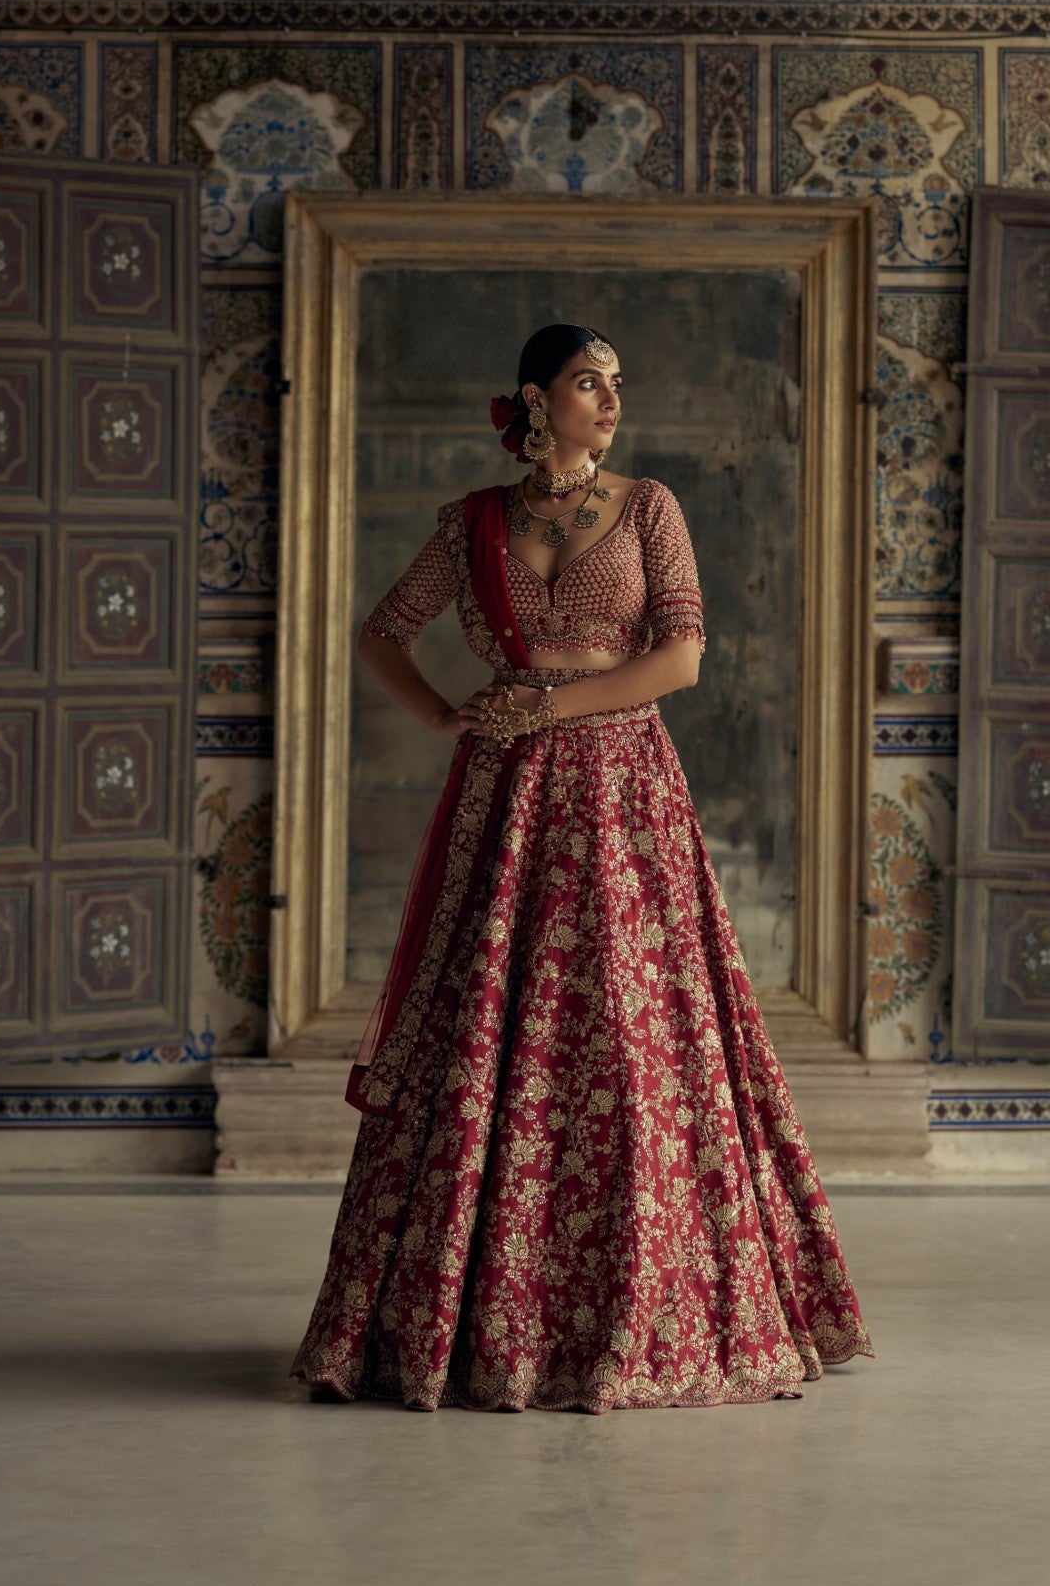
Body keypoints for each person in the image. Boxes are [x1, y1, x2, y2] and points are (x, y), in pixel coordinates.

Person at [291, 323, 872, 1411]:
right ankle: (475, 1320)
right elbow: (385, 631)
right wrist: (447, 716)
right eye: (588, 383)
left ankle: (644, 1313)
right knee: (488, 1020)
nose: (609, 402)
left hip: (623, 793)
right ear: (535, 399)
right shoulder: (474, 522)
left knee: (630, 1027)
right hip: (506, 799)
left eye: (615, 385)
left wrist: (546, 707)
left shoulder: (649, 507)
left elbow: (682, 658)